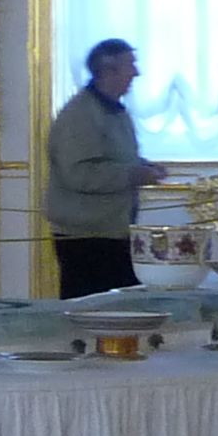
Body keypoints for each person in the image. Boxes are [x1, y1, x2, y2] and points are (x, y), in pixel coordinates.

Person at [45, 38, 168, 298]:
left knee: (121, 307)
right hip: (87, 237)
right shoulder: (80, 115)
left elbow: (110, 158)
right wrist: (133, 174)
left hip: (110, 231)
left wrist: (143, 167)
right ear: (108, 70)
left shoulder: (111, 111)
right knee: (93, 311)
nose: (137, 73)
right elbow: (78, 173)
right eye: (130, 65)